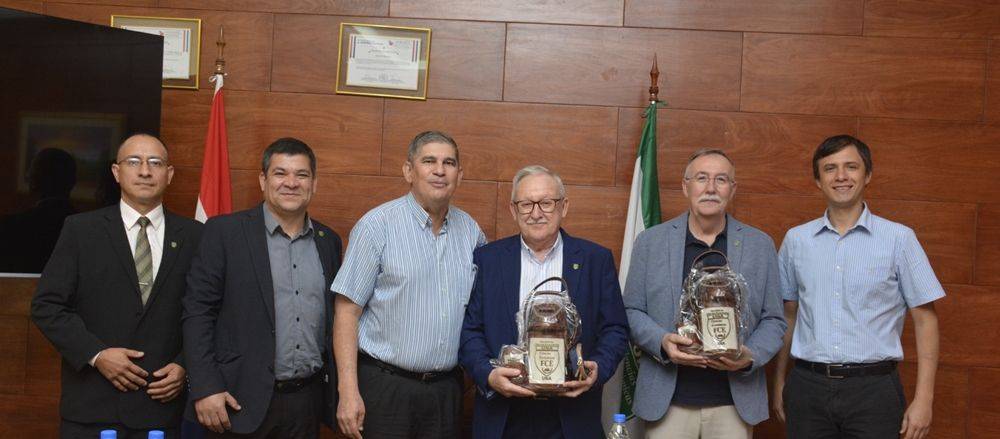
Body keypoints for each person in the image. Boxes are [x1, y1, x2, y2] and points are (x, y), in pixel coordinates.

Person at [772, 135, 943, 439]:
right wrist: (779, 384)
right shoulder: (796, 241)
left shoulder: (899, 239)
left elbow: (925, 319)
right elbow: (788, 315)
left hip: (874, 391)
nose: (841, 176)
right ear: (817, 180)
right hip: (807, 387)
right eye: (830, 168)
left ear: (868, 176)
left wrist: (924, 399)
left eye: (851, 167)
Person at [32, 134, 203, 438]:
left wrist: (185, 366)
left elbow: (206, 312)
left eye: (155, 163)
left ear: (169, 174)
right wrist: (97, 354)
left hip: (161, 410)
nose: (145, 171)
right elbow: (46, 306)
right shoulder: (81, 230)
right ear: (116, 172)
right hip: (91, 408)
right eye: (134, 161)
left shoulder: (196, 236)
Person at [183, 138, 342, 438]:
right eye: (280, 173)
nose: (291, 183)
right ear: (263, 180)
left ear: (314, 183)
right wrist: (205, 386)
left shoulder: (329, 241)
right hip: (237, 399)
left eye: (302, 175)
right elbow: (197, 312)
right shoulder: (224, 232)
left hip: (306, 402)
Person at [331, 131, 486, 438]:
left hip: (445, 393)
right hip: (385, 389)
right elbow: (346, 313)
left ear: (460, 174)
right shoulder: (376, 226)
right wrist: (348, 392)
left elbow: (480, 313)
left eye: (449, 163)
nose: (440, 170)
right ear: (408, 171)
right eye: (429, 161)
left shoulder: (472, 232)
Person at [624, 149, 786, 438]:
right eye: (702, 178)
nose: (711, 188)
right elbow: (631, 311)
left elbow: (774, 319)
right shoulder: (650, 242)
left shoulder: (760, 245)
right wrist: (662, 342)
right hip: (667, 400)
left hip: (733, 403)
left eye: (721, 179)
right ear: (686, 186)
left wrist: (750, 355)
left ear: (732, 189)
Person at [459, 165, 629, 438]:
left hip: (570, 418)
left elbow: (616, 329)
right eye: (526, 204)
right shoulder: (488, 259)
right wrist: (489, 376)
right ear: (514, 210)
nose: (536, 213)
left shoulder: (596, 259)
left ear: (564, 207)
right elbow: (470, 331)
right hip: (503, 416)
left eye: (546, 203)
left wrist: (597, 368)